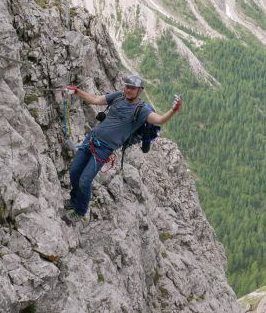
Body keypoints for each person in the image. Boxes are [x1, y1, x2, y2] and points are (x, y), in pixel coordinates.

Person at [62, 74, 182, 224]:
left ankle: (80, 211)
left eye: (132, 88)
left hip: (104, 149)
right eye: (127, 86)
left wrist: (173, 110)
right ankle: (74, 200)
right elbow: (95, 100)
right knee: (74, 172)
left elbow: (159, 120)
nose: (128, 90)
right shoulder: (118, 96)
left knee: (85, 181)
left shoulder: (142, 110)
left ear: (140, 91)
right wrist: (76, 91)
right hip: (92, 139)